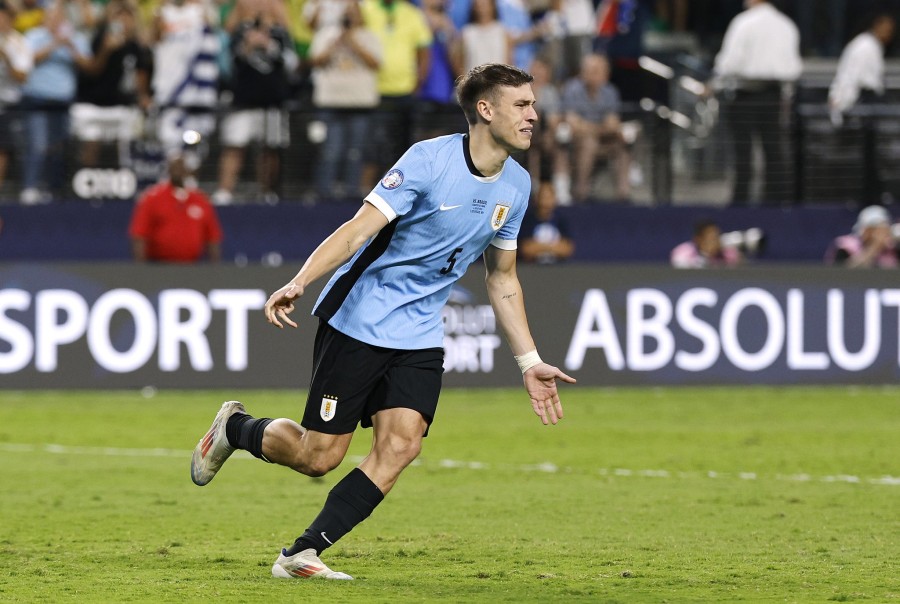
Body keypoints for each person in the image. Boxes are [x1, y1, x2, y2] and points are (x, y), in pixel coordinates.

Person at [189, 63, 575, 580]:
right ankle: (235, 429)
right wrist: (300, 281)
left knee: (401, 445)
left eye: (533, 104)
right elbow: (356, 231)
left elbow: (502, 277)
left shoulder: (518, 185)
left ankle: (301, 554)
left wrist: (529, 361)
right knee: (318, 456)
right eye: (522, 105)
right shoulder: (428, 161)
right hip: (360, 317)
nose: (534, 114)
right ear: (486, 110)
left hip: (418, 333)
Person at [712, 0, 802, 206]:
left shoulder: (743, 22)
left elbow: (729, 62)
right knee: (774, 152)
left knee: (743, 153)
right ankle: (776, 203)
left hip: (745, 96)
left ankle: (741, 203)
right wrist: (787, 97)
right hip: (773, 96)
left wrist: (714, 84)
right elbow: (792, 68)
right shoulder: (786, 25)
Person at [212, 1, 296, 205]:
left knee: (270, 148)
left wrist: (269, 45)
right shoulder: (239, 32)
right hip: (243, 100)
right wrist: (247, 47)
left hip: (272, 102)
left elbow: (292, 63)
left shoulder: (280, 34)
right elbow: (225, 64)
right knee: (234, 145)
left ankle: (267, 191)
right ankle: (225, 191)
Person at [19, 0, 92, 204]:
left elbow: (88, 66)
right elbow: (27, 60)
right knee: (38, 146)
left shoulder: (75, 39)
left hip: (63, 102)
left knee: (60, 148)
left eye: (60, 17)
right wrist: (54, 43)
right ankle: (30, 187)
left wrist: (69, 46)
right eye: (52, 17)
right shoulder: (34, 37)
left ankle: (54, 189)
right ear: (45, 18)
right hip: (37, 101)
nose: (56, 20)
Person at [308, 0, 381, 200]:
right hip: (331, 102)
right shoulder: (326, 34)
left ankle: (352, 194)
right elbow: (314, 61)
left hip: (361, 104)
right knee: (330, 150)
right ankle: (324, 193)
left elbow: (376, 63)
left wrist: (353, 43)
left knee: (356, 151)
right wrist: (335, 44)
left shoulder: (369, 36)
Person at [71, 0, 152, 170]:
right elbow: (92, 70)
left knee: (124, 145)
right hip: (93, 102)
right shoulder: (100, 37)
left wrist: (143, 97)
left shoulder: (136, 46)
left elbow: (141, 76)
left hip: (121, 104)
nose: (123, 21)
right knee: (91, 143)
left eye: (127, 17)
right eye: (119, 17)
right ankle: (87, 183)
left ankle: (123, 183)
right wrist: (106, 50)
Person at [828, 12, 895, 205]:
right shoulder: (865, 45)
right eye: (886, 28)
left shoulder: (870, 45)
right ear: (876, 24)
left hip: (861, 102)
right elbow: (855, 80)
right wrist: (843, 104)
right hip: (859, 104)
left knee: (870, 156)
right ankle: (863, 198)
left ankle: (872, 196)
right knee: (862, 157)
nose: (889, 33)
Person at [553, 53, 631, 203]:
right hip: (575, 141)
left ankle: (624, 193)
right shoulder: (572, 89)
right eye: (590, 70)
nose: (593, 75)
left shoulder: (610, 92)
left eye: (597, 71)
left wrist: (595, 129)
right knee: (589, 143)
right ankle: (581, 192)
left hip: (602, 139)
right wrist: (600, 128)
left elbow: (613, 123)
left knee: (625, 139)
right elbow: (573, 124)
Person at [128, 154, 223, 263]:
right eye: (175, 166)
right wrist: (141, 269)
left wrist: (215, 269)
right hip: (158, 267)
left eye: (181, 166)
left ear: (188, 170)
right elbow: (139, 235)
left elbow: (213, 238)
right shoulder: (152, 198)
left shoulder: (200, 200)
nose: (178, 170)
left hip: (191, 268)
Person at [0, 0, 32, 198]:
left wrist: (6, 58)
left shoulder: (20, 43)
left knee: (2, 150)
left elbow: (22, 77)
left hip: (7, 105)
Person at [825, 205, 899, 268]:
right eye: (875, 229)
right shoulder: (845, 248)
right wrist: (875, 246)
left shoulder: (892, 247)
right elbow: (842, 273)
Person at [519, 179, 574, 263]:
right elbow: (525, 249)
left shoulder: (561, 221)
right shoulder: (527, 221)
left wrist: (539, 247)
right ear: (537, 198)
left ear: (555, 199)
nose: (545, 202)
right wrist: (553, 247)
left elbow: (567, 249)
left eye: (549, 197)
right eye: (543, 197)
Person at [670, 219, 742, 268]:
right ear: (698, 239)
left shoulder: (729, 253)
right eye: (711, 238)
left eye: (717, 236)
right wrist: (707, 256)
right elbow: (682, 272)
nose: (715, 241)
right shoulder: (682, 252)